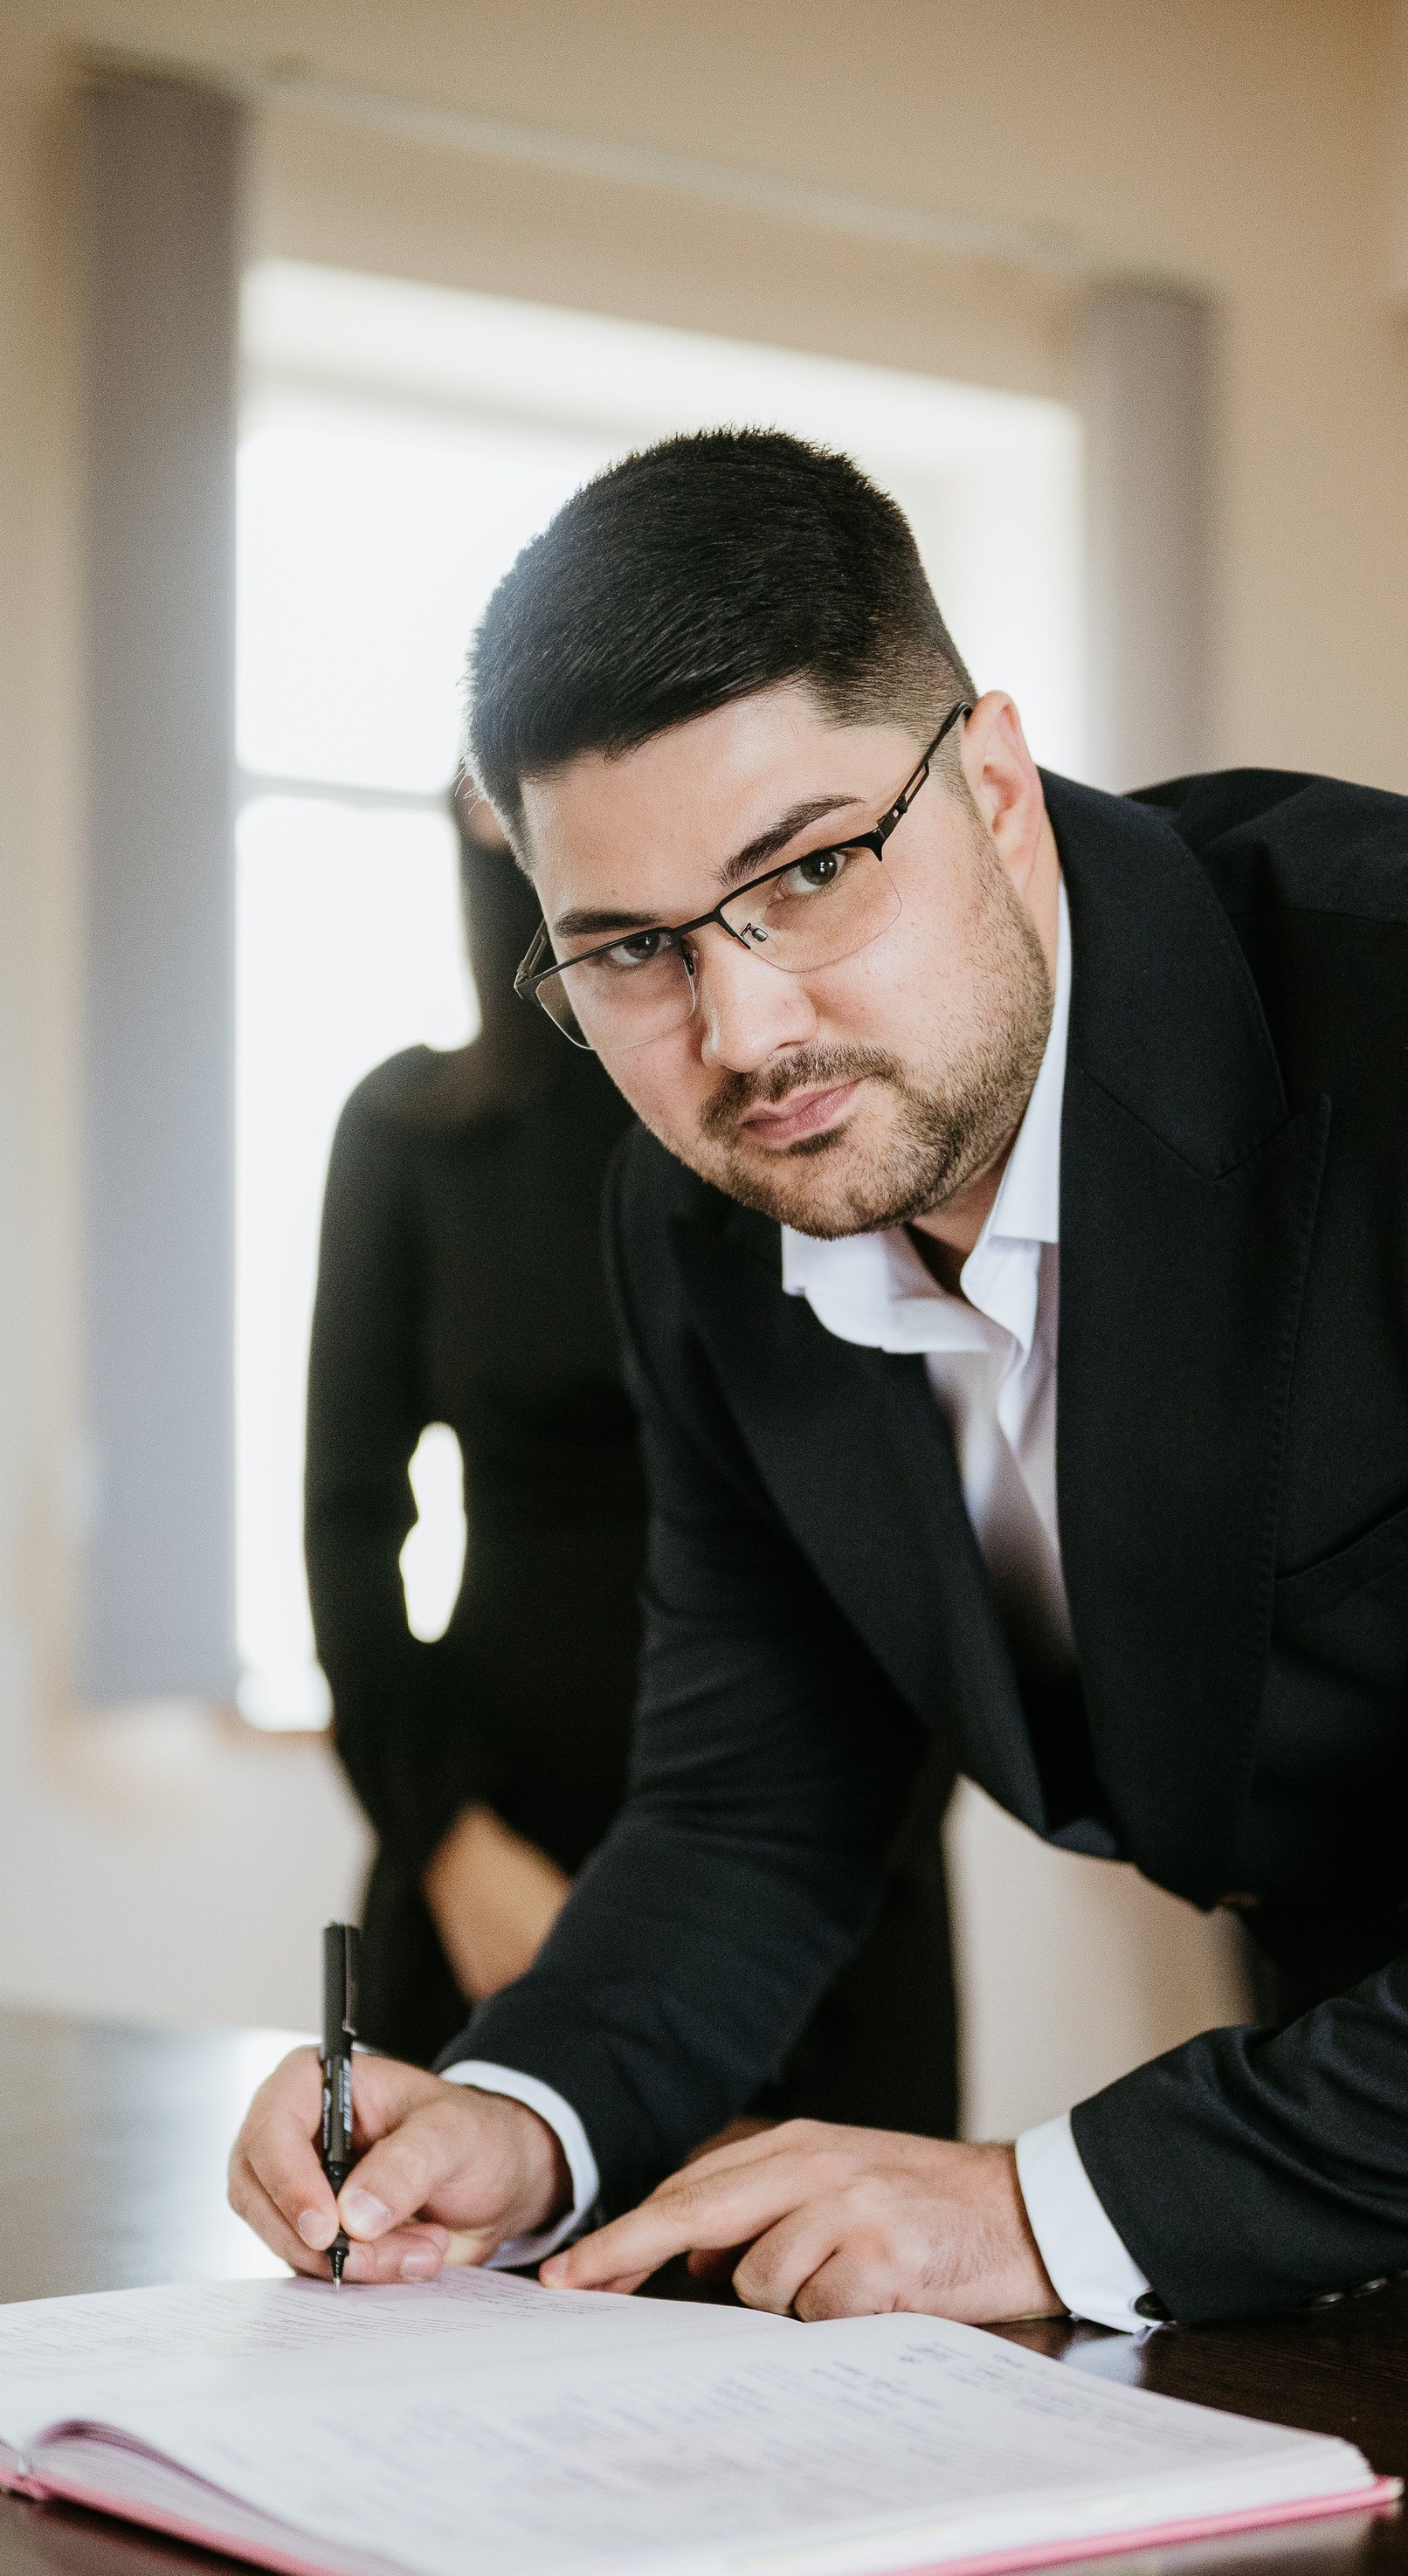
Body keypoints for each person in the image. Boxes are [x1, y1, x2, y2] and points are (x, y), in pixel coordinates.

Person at [232, 429, 1408, 2328]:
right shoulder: (697, 1216)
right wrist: (520, 2117)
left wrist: (1030, 2210)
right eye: (626, 950)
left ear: (994, 785)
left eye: (802, 874)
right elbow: (754, 1801)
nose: (740, 1030)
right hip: (1375, 2128)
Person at [303, 770, 959, 2140]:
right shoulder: (414, 1135)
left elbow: (927, 1516)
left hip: (822, 1849)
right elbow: (348, 1520)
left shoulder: (802, 1123)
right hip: (496, 1836)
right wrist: (453, 1846)